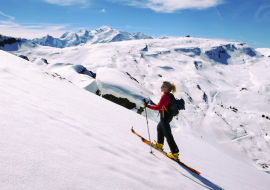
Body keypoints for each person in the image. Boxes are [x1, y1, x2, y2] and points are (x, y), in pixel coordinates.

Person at [143, 81, 179, 160]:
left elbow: (158, 107)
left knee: (167, 134)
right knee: (160, 128)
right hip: (168, 116)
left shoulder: (165, 96)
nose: (161, 87)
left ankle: (175, 153)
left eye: (163, 86)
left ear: (167, 88)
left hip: (165, 117)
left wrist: (147, 106)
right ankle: (159, 144)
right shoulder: (170, 95)